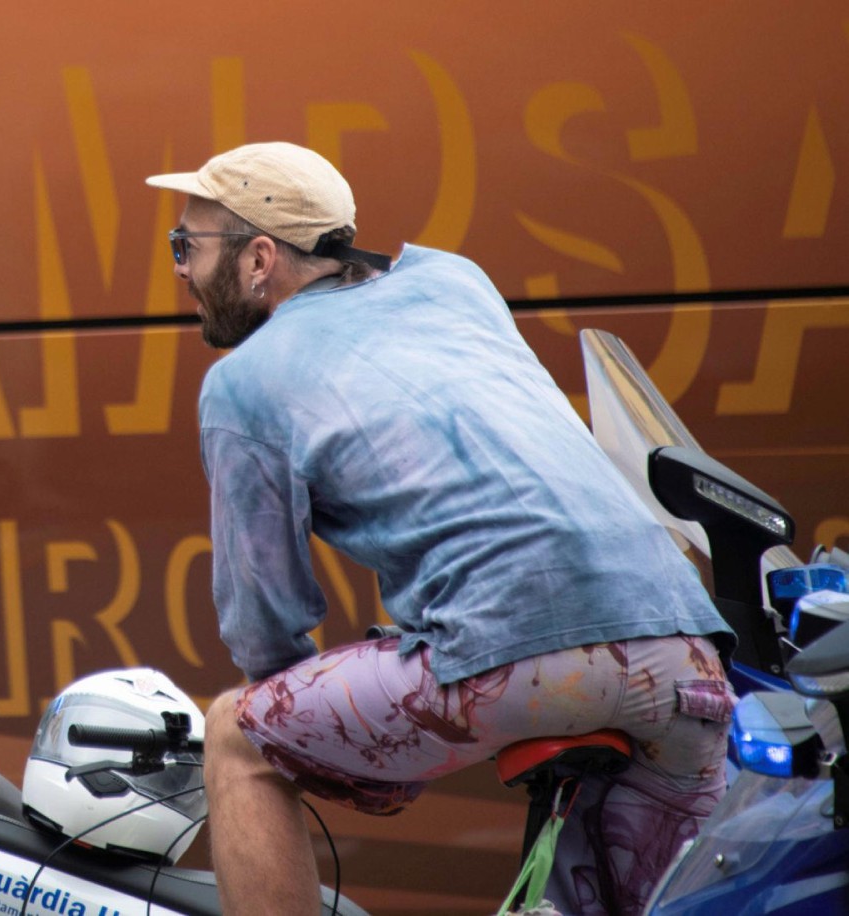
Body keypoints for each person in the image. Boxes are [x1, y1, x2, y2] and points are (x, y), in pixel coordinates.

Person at [145, 142, 735, 915]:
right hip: (687, 659)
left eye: (188, 246)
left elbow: (267, 633)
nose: (181, 268)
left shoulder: (242, 385)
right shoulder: (455, 280)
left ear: (260, 259)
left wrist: (329, 745)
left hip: (511, 660)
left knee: (235, 736)